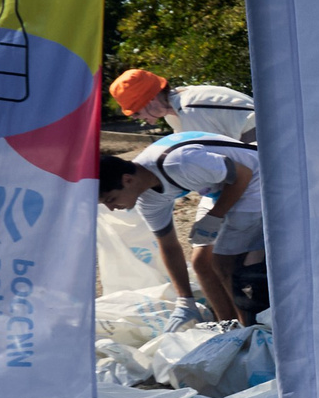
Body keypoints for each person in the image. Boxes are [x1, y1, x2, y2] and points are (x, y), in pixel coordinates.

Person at [98, 134, 265, 327]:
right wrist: (185, 299)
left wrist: (215, 216)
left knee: (224, 262)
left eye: (111, 199)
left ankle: (250, 330)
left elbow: (243, 174)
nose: (111, 208)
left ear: (127, 180)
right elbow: (168, 245)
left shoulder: (179, 163)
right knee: (202, 263)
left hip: (257, 176)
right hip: (219, 185)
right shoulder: (147, 198)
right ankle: (228, 327)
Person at [108, 69, 255, 140]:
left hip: (262, 138)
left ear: (150, 100)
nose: (134, 118)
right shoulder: (175, 111)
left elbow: (215, 153)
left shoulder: (189, 109)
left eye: (136, 112)